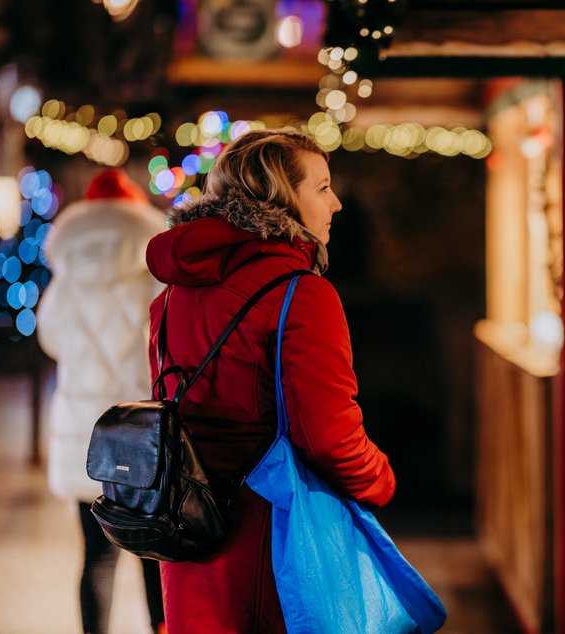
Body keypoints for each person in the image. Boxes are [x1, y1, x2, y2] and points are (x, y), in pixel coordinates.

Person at [144, 128, 396, 631]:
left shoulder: (174, 291)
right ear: (281, 196)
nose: (337, 203)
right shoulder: (301, 293)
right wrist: (380, 478)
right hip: (266, 535)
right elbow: (328, 436)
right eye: (322, 187)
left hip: (183, 520)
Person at [36, 168, 167, 634]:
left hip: (86, 433)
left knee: (96, 555)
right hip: (142, 432)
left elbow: (50, 338)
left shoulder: (67, 274)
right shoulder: (155, 266)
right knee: (156, 554)